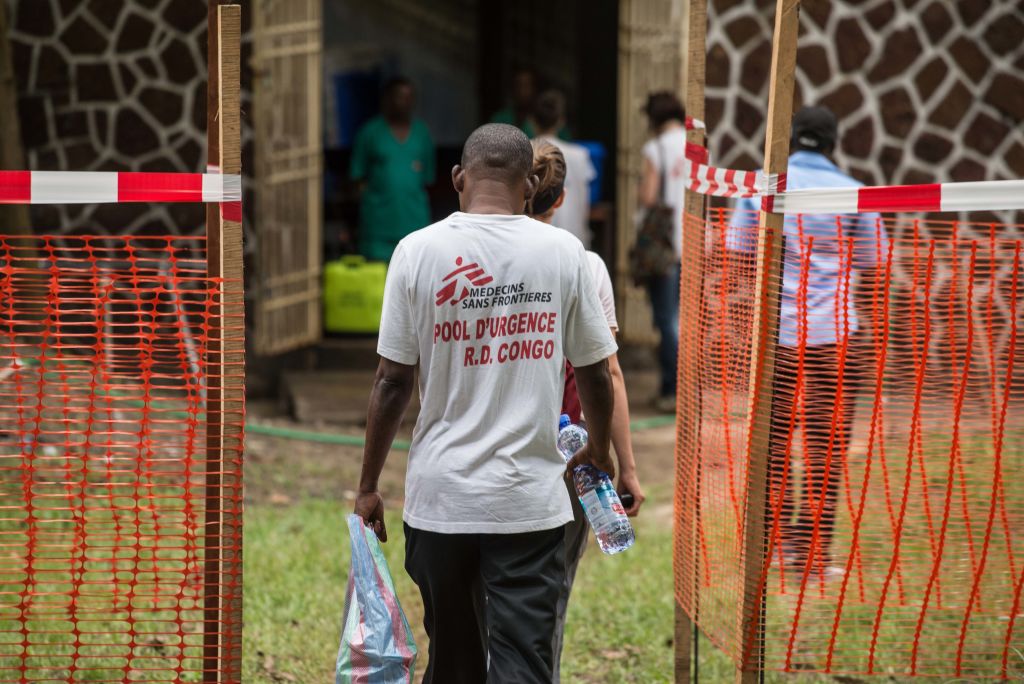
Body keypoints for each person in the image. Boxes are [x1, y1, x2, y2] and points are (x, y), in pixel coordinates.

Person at [354, 123, 618, 683]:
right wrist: (600, 448)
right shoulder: (563, 253)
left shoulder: (416, 251)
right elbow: (596, 370)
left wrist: (368, 485)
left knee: (453, 662)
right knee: (525, 662)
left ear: (457, 179)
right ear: (528, 187)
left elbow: (391, 381)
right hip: (529, 501)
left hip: (440, 500)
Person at [727, 106, 888, 573]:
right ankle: (812, 553)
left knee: (772, 440)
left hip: (774, 336)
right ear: (834, 144)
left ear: (790, 140)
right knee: (826, 446)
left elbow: (738, 253)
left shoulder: (763, 185)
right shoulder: (856, 193)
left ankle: (771, 544)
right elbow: (873, 268)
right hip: (833, 336)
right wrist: (875, 344)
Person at [526, 139, 645, 682]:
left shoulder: (470, 257)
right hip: (571, 454)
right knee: (550, 593)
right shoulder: (583, 263)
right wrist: (624, 463)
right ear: (563, 197)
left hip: (494, 449)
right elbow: (608, 373)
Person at [350, 76, 436, 262]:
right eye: (400, 96)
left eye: (410, 97)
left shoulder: (422, 133)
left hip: (415, 224)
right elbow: (357, 178)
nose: (405, 102)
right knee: (377, 285)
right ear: (387, 99)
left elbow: (428, 180)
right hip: (378, 229)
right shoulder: (370, 133)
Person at [639, 91, 688, 412]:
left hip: (664, 246)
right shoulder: (695, 146)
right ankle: (686, 387)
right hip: (693, 239)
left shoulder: (654, 148)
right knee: (684, 319)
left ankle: (673, 388)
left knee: (666, 318)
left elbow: (648, 196)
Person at [531, 91, 596, 248]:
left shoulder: (523, 151)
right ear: (561, 121)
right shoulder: (580, 155)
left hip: (534, 241)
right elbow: (585, 200)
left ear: (532, 121)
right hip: (574, 238)